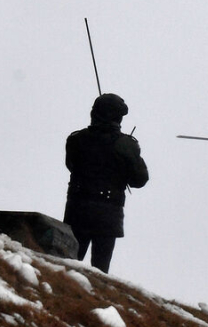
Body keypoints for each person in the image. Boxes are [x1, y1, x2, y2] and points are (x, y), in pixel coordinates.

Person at [63, 93, 148, 273]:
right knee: (100, 271)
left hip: (77, 208)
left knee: (68, 264)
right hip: (108, 213)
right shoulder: (126, 145)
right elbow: (139, 180)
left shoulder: (76, 139)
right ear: (117, 118)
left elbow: (71, 165)